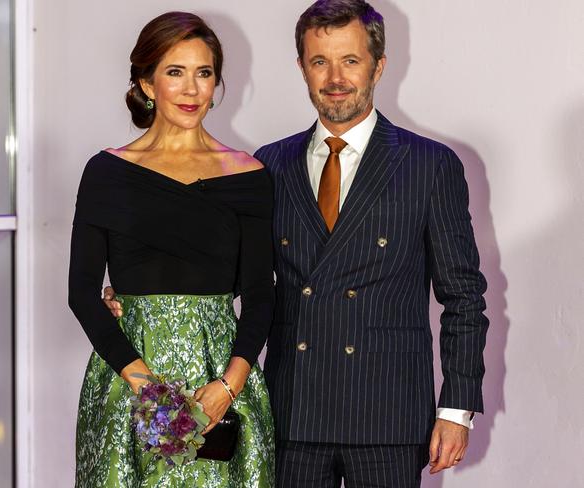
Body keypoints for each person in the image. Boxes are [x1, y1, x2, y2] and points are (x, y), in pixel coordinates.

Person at [104, 1, 489, 486]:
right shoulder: (267, 165)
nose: (335, 78)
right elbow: (232, 272)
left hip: (387, 415)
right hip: (291, 412)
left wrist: (456, 409)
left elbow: (463, 299)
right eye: (319, 61)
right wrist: (138, 290)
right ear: (302, 68)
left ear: (379, 66)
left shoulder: (428, 165)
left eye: (350, 60)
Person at [68, 12, 275, 488]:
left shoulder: (248, 176)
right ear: (146, 82)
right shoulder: (106, 173)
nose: (191, 89)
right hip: (130, 384)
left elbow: (262, 297)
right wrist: (149, 391)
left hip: (221, 384)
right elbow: (81, 295)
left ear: (217, 83)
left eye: (204, 74)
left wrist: (229, 385)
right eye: (175, 72)